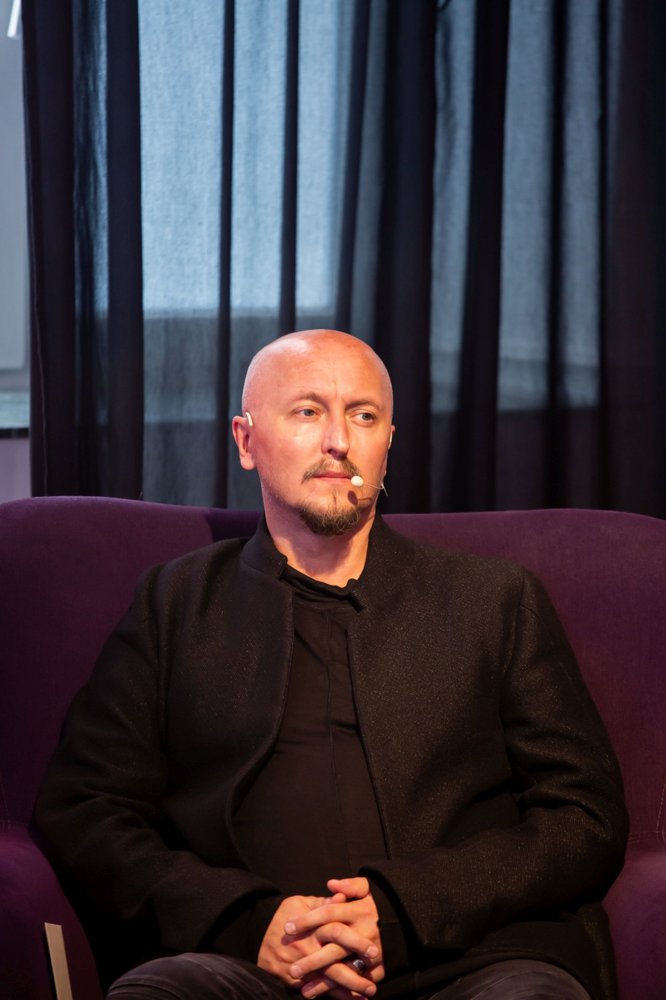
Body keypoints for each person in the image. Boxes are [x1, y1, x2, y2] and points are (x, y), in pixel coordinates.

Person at [34, 330, 628, 1000]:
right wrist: (245, 921)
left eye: (363, 416)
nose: (339, 440)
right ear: (246, 441)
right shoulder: (174, 603)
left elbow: (584, 815)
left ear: (387, 443)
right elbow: (85, 808)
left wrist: (405, 910)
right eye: (308, 411)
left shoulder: (495, 600)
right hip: (244, 963)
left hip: (470, 959)